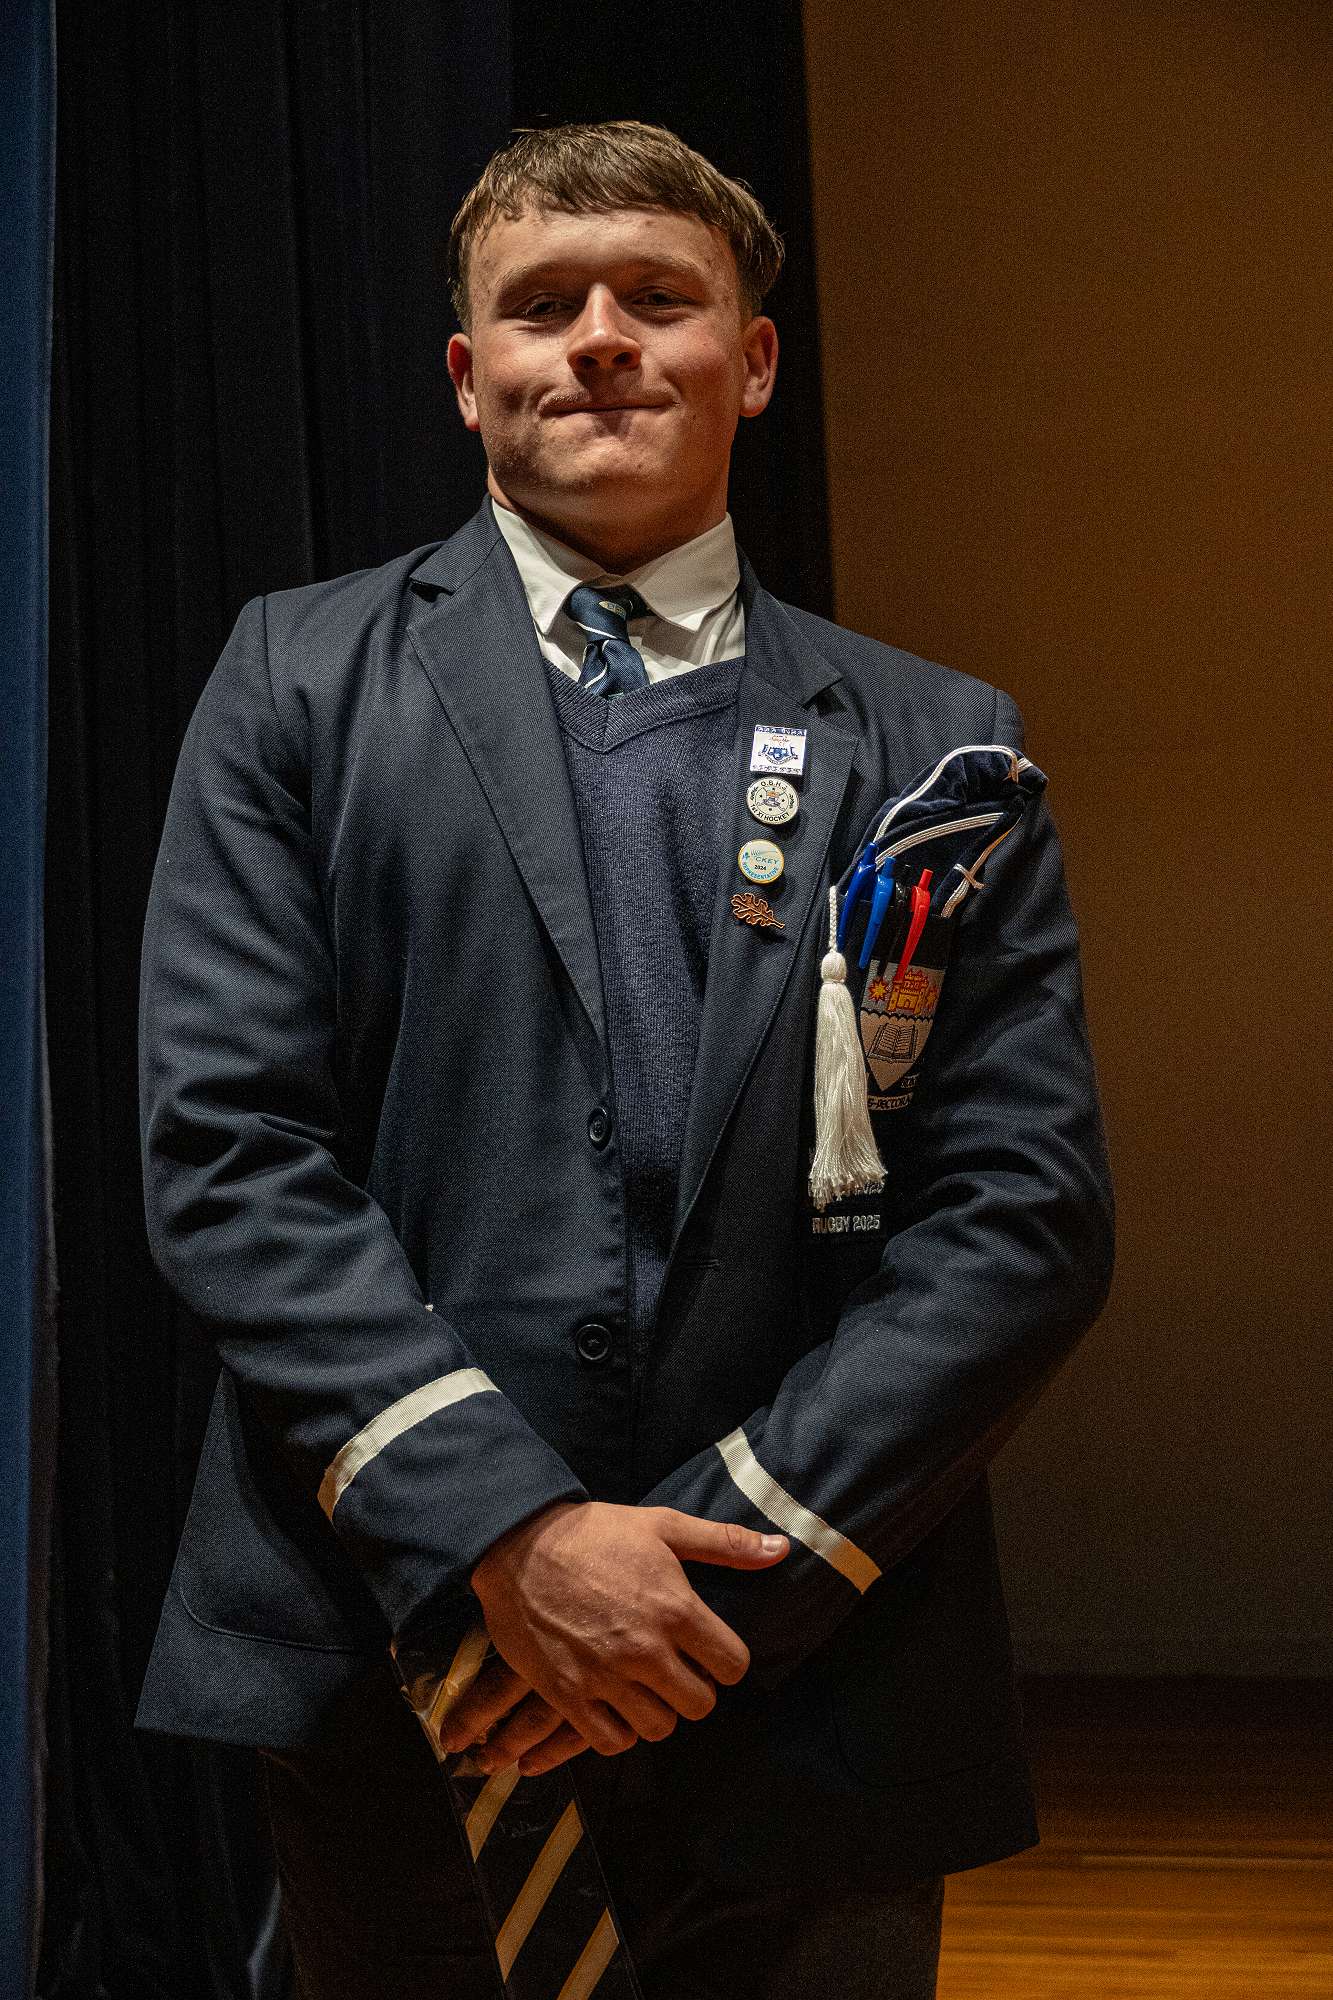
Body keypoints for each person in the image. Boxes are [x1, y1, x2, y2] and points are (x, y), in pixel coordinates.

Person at [136, 120, 1113, 2000]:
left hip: (808, 1669)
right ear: (467, 374)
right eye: (542, 306)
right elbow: (231, 1153)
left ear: (751, 361)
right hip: (407, 1652)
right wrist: (508, 1537)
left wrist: (704, 1578)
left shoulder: (937, 739)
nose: (598, 338)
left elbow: (1021, 1220)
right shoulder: (292, 681)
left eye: (658, 298)